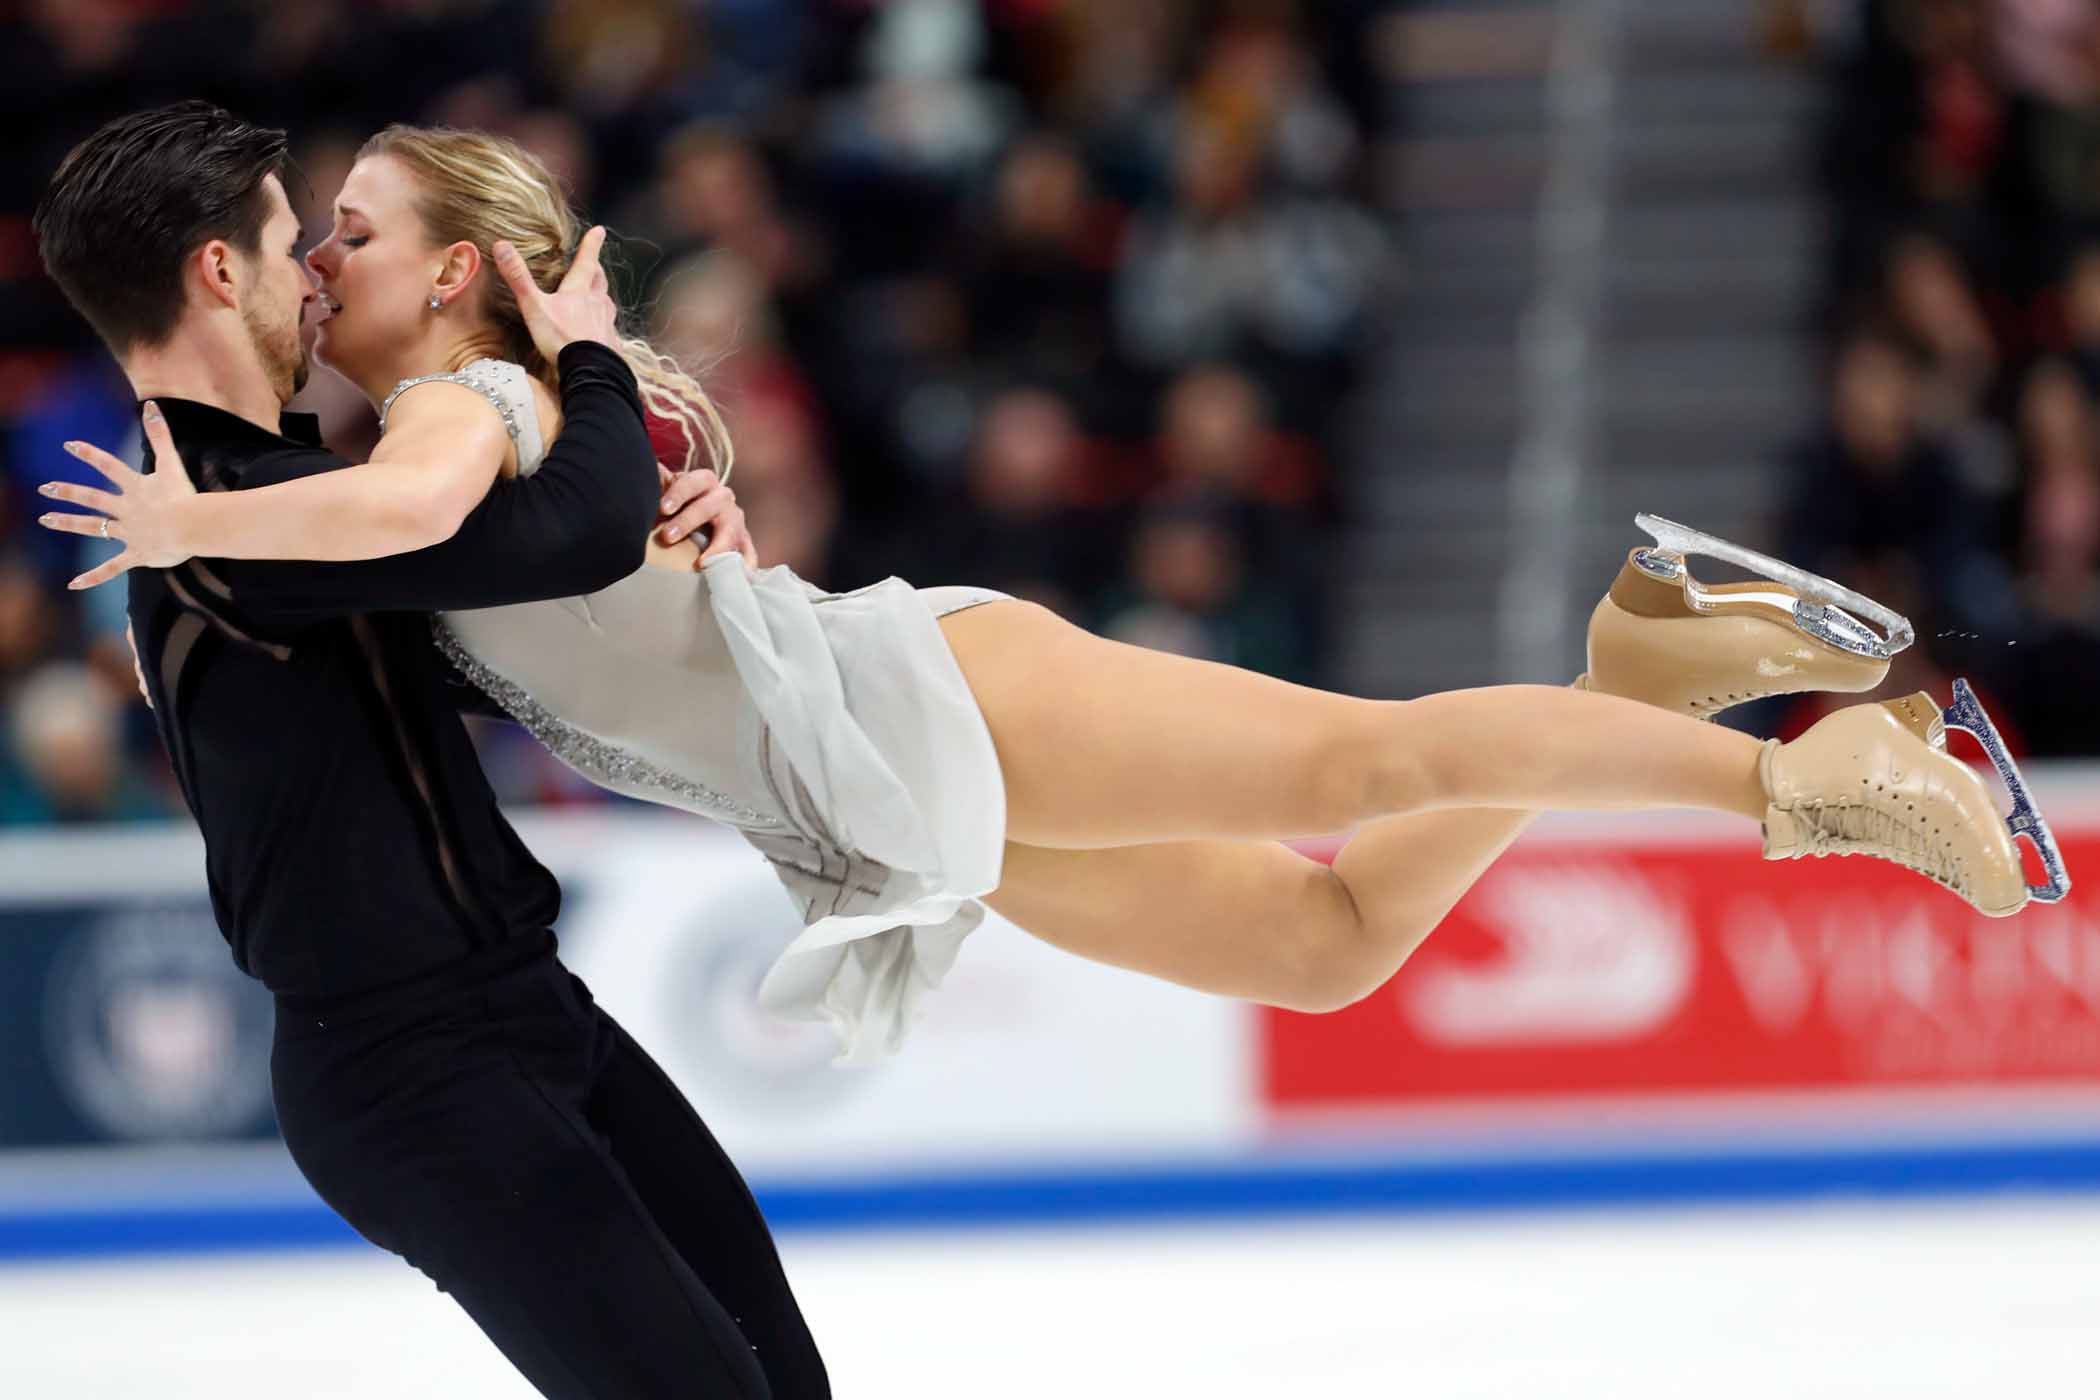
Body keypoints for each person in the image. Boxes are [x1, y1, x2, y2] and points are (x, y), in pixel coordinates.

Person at [45, 122, 2059, 1080]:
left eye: (357, 234)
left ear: (469, 271)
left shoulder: (463, 412)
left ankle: (1834, 764)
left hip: (923, 701)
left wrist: (189, 521)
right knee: (1335, 937)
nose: (321, 261)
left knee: (1374, 755)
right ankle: (1634, 658)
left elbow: (392, 501)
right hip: (896, 807)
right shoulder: (469, 442)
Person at [32, 103, 826, 1400]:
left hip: (523, 1015)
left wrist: (682, 546)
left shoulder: (282, 495)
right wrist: (593, 361)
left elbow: (525, 621)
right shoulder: (221, 521)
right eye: (297, 243)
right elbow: (573, 533)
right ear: (219, 272)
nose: (321, 273)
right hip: (410, 1073)